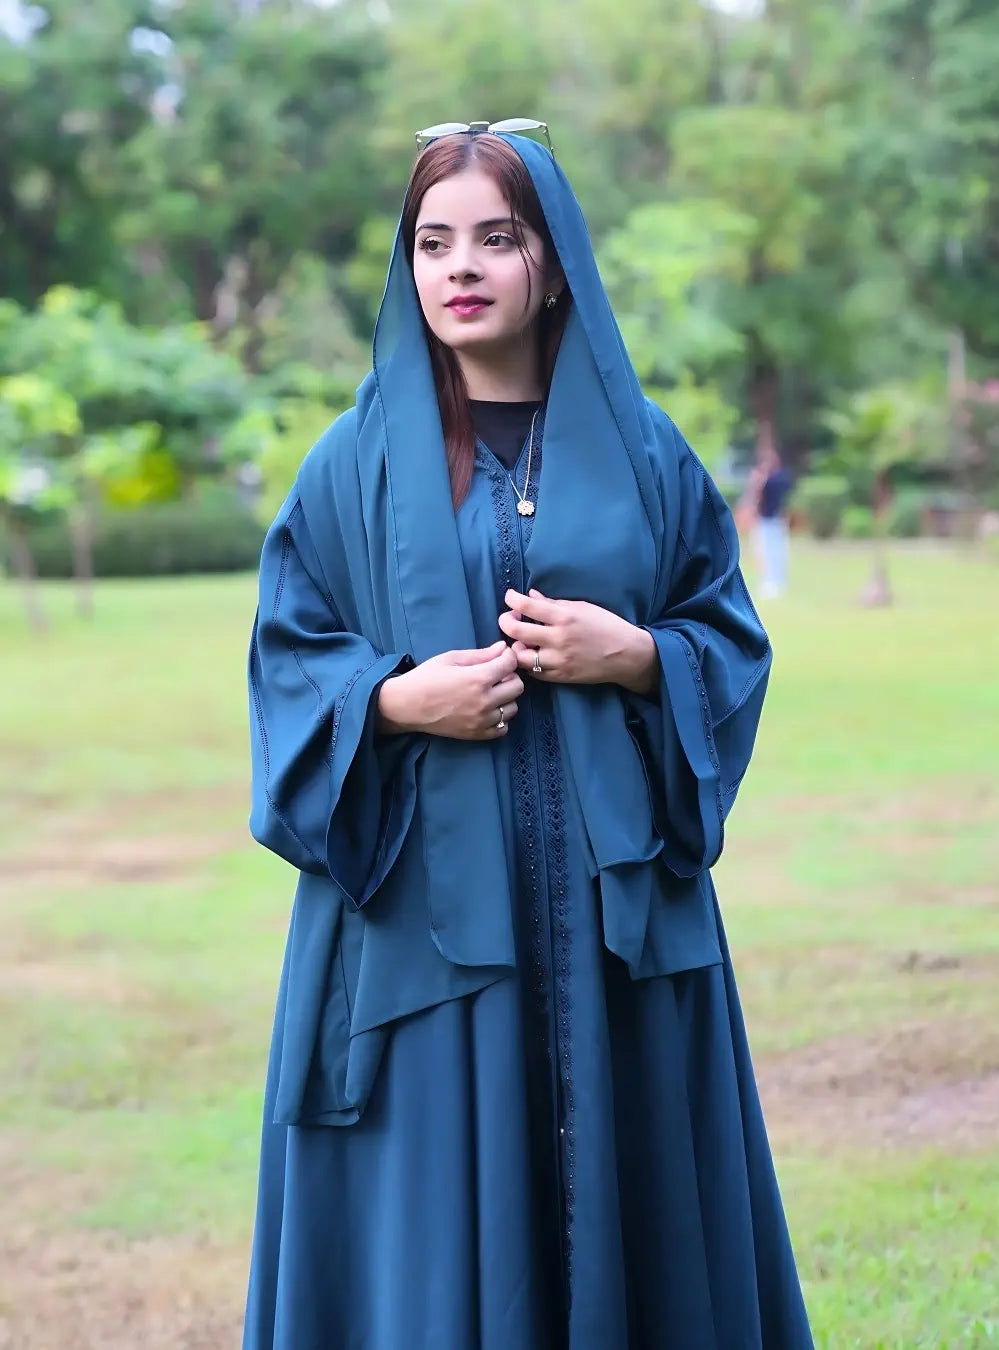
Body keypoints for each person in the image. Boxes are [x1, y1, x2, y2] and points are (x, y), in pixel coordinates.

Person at [242, 122, 815, 1350]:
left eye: (496, 238)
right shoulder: (352, 468)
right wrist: (397, 702)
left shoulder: (650, 455)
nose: (461, 267)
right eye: (432, 241)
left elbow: (730, 640)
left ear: (551, 264)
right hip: (427, 931)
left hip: (617, 935)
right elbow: (291, 665)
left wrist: (644, 658)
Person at [752, 445, 793, 598]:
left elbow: (759, 494)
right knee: (771, 551)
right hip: (771, 519)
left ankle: (773, 582)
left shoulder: (774, 479)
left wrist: (760, 480)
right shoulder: (781, 478)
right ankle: (773, 581)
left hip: (771, 519)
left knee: (772, 551)